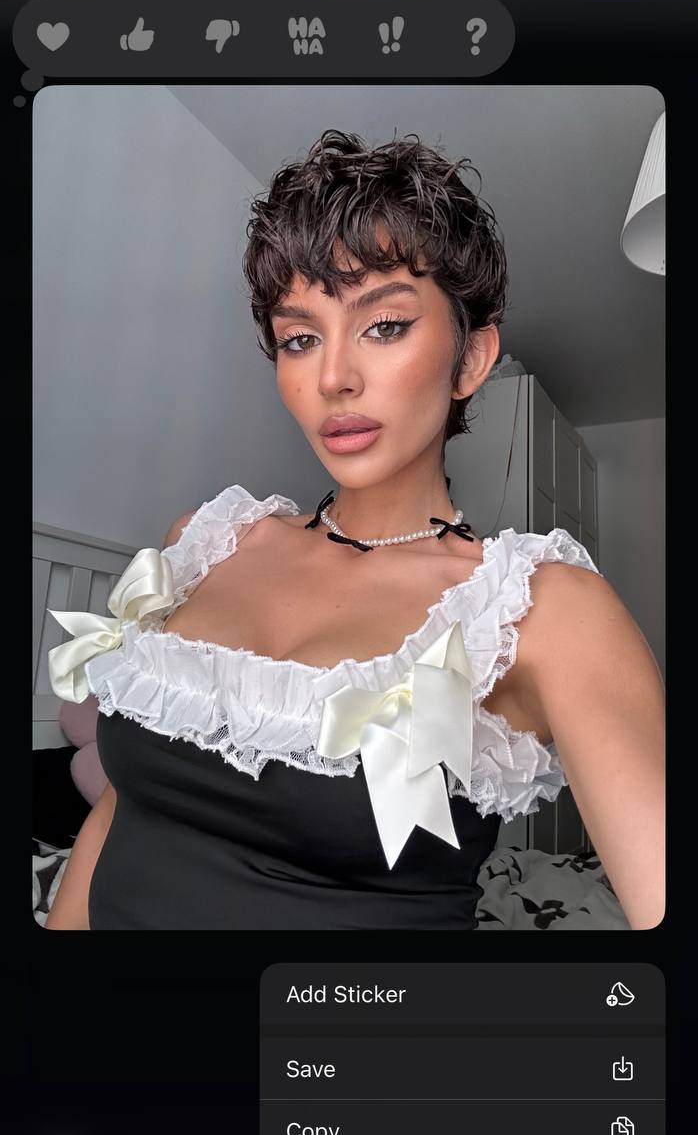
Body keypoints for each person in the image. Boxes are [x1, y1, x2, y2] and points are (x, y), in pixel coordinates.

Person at [44, 130, 665, 931]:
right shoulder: (203, 545)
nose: (333, 377)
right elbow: (126, 810)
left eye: (385, 325)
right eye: (300, 338)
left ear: (471, 359)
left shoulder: (540, 612)